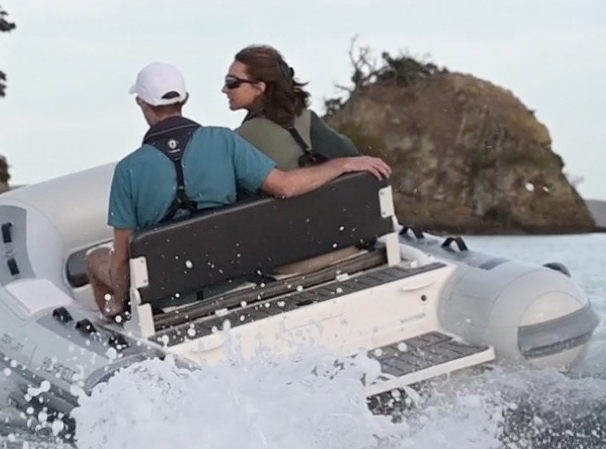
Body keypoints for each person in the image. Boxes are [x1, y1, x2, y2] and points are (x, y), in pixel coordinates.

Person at [83, 61, 391, 319]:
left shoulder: (128, 170)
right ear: (185, 99)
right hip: (236, 283)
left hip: (169, 301)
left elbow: (121, 257)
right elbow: (286, 186)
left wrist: (119, 301)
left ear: (141, 102)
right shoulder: (225, 140)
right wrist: (342, 164)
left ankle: (114, 318)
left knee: (97, 258)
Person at [225, 44, 360, 170]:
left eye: (231, 82)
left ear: (259, 88)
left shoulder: (240, 137)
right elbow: (350, 153)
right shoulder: (306, 118)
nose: (224, 89)